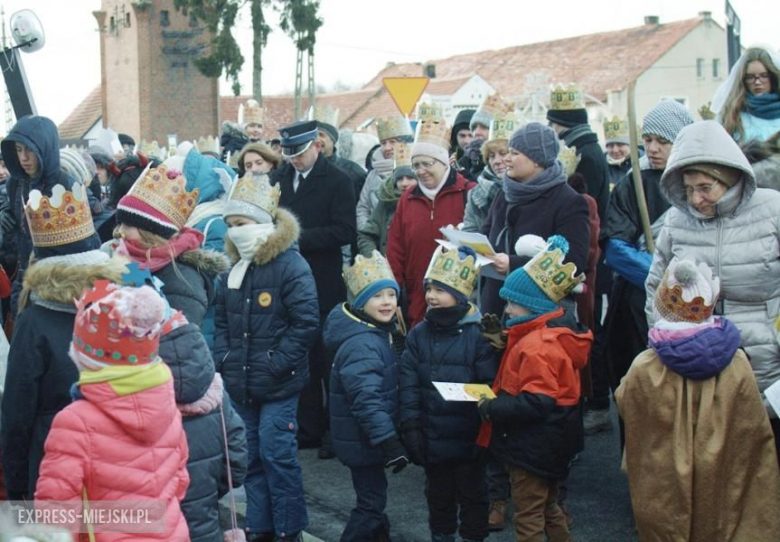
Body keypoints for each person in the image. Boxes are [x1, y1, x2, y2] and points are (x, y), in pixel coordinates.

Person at [617, 258, 780, 540]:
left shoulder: (647, 366)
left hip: (665, 468)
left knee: (669, 516)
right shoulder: (738, 360)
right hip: (724, 471)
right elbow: (750, 420)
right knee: (725, 513)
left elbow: (625, 401)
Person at [645, 120, 780, 454]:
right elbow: (655, 286)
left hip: (767, 358)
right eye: (689, 188)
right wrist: (669, 341)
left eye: (705, 187)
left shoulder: (773, 209)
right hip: (698, 359)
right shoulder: (676, 221)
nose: (696, 198)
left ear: (730, 177)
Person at [34, 283, 191, 541]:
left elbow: (56, 515)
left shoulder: (75, 422)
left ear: (84, 359)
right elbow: (180, 481)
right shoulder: (166, 405)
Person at [0, 184, 125, 500]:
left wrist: (16, 482)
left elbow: (18, 410)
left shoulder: (33, 322)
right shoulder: (121, 306)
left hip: (51, 463)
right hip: (115, 462)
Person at [215, 172, 320, 541]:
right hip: (242, 382)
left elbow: (305, 323)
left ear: (260, 223)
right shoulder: (233, 269)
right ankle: (259, 526)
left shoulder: (291, 266)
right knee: (252, 461)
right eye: (229, 225)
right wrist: (225, 359)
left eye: (241, 224)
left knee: (278, 457)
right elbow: (223, 321)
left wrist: (275, 363)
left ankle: (289, 529)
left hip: (278, 382)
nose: (235, 232)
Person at [476, 235, 592, 542]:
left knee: (528, 516)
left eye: (513, 303)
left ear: (532, 307)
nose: (508, 310)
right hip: (553, 441)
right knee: (550, 506)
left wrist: (491, 407)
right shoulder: (548, 336)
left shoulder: (537, 346)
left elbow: (536, 401)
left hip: (533, 446)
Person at [600, 100, 694, 437]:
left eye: (662, 142)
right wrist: (663, 279)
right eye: (648, 140)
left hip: (694, 310)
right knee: (639, 387)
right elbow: (615, 247)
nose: (652, 149)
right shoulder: (634, 180)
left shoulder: (697, 180)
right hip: (638, 303)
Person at [399, 246, 497, 542]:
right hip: (433, 437)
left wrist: (485, 435)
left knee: (474, 497)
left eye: (440, 289)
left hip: (469, 439)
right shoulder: (419, 333)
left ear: (459, 294)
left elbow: (490, 386)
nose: (431, 296)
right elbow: (408, 384)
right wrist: (411, 426)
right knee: (438, 499)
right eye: (429, 288)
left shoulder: (478, 336)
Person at [272, 119, 357, 458]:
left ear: (317, 147)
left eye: (301, 153)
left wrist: (295, 239)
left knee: (326, 359)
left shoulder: (338, 181)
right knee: (299, 356)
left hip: (322, 280)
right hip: (287, 282)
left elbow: (345, 231)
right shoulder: (279, 179)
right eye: (290, 153)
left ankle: (333, 431)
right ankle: (307, 428)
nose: (295, 159)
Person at [325, 251, 408, 542]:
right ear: (361, 302)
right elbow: (366, 399)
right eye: (377, 297)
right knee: (371, 506)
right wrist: (389, 442)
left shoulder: (376, 332)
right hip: (365, 440)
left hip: (365, 438)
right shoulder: (363, 345)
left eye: (390, 294)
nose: (386, 302)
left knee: (374, 500)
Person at [480, 122, 590, 318]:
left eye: (514, 153)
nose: (506, 159)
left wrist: (512, 264)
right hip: (495, 307)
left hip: (536, 314)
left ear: (537, 160)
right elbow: (487, 235)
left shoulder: (569, 202)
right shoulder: (504, 193)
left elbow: (572, 264)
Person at [386, 104, 474, 327]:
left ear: (444, 163)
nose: (421, 171)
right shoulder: (408, 198)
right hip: (418, 295)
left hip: (459, 295)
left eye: (427, 163)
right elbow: (396, 249)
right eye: (416, 165)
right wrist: (392, 292)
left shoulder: (467, 192)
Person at [113, 164, 230, 327]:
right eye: (119, 224)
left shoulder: (184, 279)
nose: (119, 232)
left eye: (128, 225)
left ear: (151, 232)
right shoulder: (121, 259)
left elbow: (179, 342)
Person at [0, 115, 74, 313]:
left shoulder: (67, 184)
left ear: (45, 148)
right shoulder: (15, 184)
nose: (23, 157)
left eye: (30, 150)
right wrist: (6, 212)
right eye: (18, 150)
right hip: (24, 275)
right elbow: (18, 222)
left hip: (58, 281)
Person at [546, 84, 610, 222]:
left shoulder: (586, 154)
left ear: (563, 123)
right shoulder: (582, 148)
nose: (550, 128)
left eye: (552, 123)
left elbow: (583, 205)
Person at [357, 142, 417, 256]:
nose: (404, 183)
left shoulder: (428, 203)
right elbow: (366, 235)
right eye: (400, 179)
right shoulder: (386, 202)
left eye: (410, 178)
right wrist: (375, 257)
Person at [462, 111, 517, 233]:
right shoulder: (475, 194)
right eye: (491, 156)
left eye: (503, 153)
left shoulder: (527, 190)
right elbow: (470, 231)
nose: (497, 161)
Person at [357, 117, 414, 229]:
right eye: (383, 143)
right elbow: (363, 207)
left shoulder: (415, 170)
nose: (387, 148)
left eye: (392, 142)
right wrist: (367, 232)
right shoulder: (373, 174)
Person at [713, 46, 780, 142]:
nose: (757, 82)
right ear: (743, 80)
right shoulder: (732, 113)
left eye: (763, 76)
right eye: (750, 77)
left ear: (773, 77)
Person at [312, 105, 367, 197]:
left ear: (333, 140)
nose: (317, 140)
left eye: (321, 135)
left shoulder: (353, 172)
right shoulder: (302, 168)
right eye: (313, 135)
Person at [603, 116, 631, 190]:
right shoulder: (601, 165)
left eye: (620, 145)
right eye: (611, 145)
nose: (615, 150)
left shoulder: (641, 164)